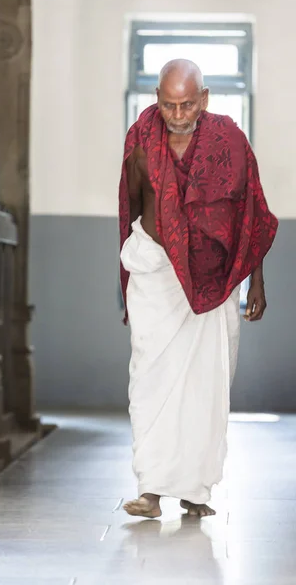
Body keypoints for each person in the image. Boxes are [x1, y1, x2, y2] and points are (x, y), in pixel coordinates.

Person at [119, 59, 278, 519]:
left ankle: (195, 492)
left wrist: (256, 282)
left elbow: (253, 215)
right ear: (157, 99)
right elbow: (130, 205)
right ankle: (150, 488)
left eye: (187, 104)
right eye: (169, 104)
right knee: (150, 379)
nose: (178, 113)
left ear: (203, 99)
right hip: (155, 272)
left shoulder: (229, 141)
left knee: (206, 387)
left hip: (214, 280)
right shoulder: (142, 142)